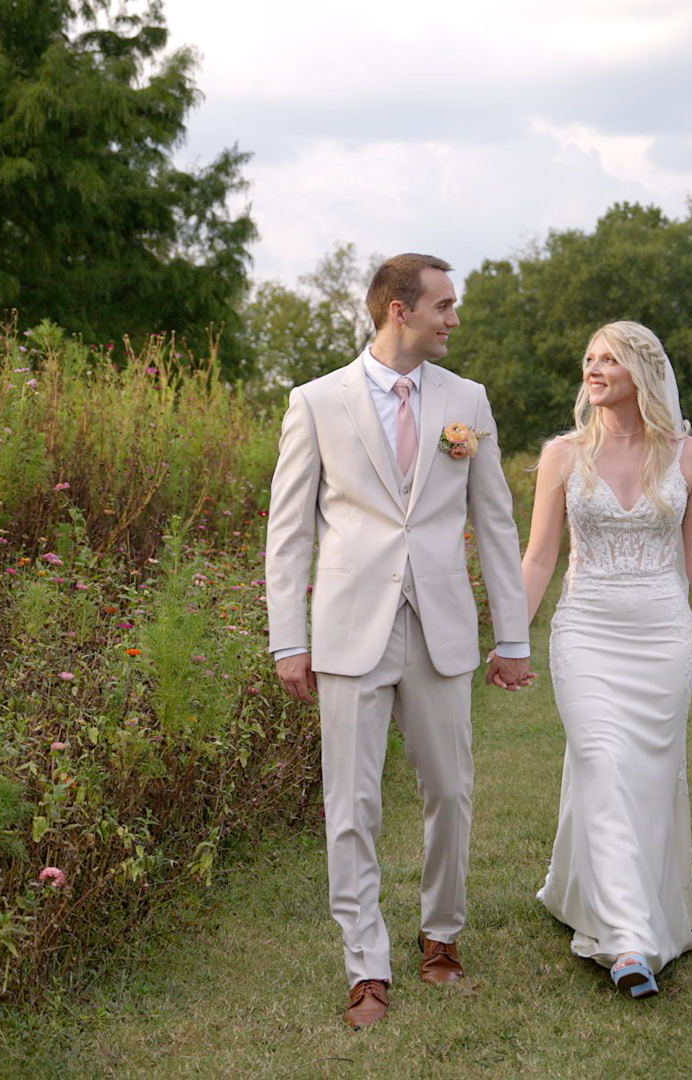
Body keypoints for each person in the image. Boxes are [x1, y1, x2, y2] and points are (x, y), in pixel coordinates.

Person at [265, 253, 533, 1030]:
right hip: (350, 628)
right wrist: (289, 638)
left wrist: (511, 635)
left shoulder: (468, 401)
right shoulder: (317, 403)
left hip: (441, 625)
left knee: (450, 790)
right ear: (398, 311)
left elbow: (495, 521)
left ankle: (441, 937)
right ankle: (366, 966)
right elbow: (288, 536)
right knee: (351, 801)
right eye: (444, 306)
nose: (455, 318)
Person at [512, 319, 692, 998]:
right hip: (586, 632)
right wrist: (510, 636)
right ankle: (626, 941)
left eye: (609, 360)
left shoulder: (691, 457)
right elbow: (538, 558)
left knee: (646, 776)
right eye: (588, 358)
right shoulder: (562, 456)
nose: (593, 369)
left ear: (642, 374)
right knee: (602, 759)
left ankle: (630, 903)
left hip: (661, 636)